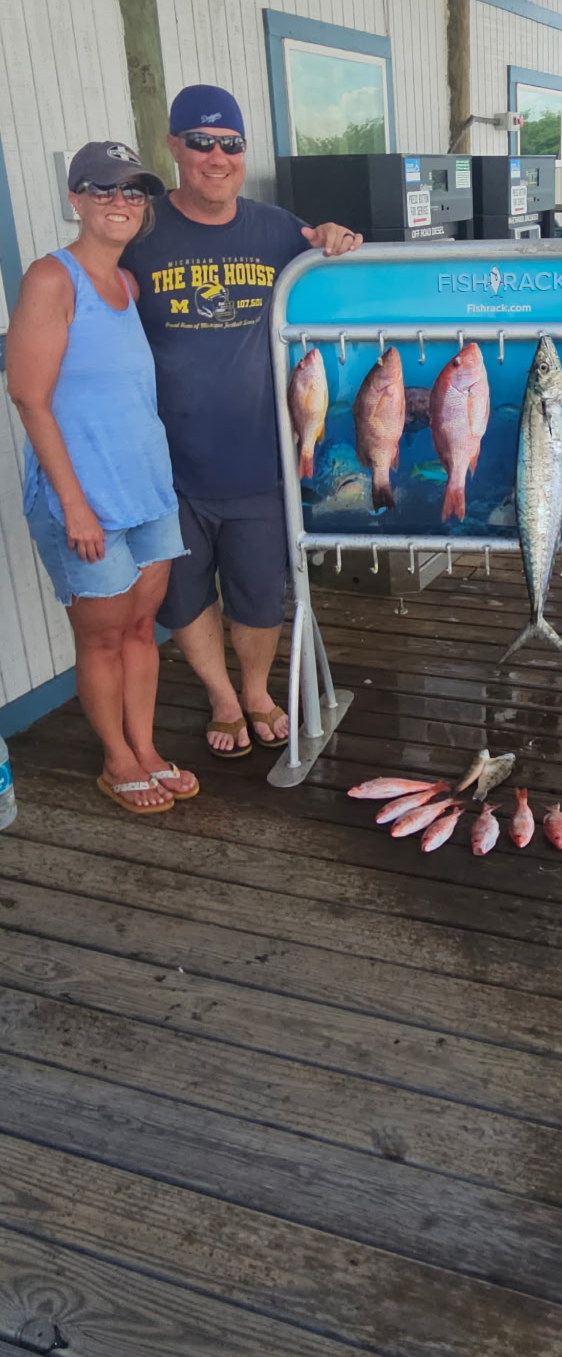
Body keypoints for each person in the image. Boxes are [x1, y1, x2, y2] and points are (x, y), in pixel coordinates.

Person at [125, 85, 362, 759]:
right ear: (173, 146)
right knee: (183, 594)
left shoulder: (275, 228)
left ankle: (256, 690)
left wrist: (336, 238)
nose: (216, 157)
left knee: (259, 593)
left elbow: (330, 261)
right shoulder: (138, 233)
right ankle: (221, 698)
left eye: (229, 144)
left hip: (262, 459)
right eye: (200, 142)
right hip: (166, 467)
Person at [7, 142, 197, 815]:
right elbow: (29, 396)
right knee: (102, 636)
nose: (120, 203)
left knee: (143, 629)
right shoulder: (50, 280)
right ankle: (116, 761)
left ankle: (144, 748)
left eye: (133, 192)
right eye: (104, 190)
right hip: (84, 500)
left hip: (147, 490)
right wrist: (74, 505)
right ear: (76, 200)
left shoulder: (130, 284)